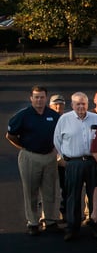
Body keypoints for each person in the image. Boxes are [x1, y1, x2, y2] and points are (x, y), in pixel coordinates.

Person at [7, 86, 61, 236]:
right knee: (31, 191)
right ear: (31, 98)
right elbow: (10, 135)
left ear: (46, 98)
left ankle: (50, 220)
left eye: (42, 97)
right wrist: (24, 146)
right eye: (36, 97)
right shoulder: (23, 115)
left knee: (50, 190)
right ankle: (33, 222)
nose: (39, 100)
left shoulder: (53, 115)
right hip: (30, 156)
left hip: (49, 156)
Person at [53, 92, 97, 241]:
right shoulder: (64, 119)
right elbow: (57, 141)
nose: (81, 106)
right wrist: (65, 158)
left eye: (83, 104)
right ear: (72, 105)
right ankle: (72, 228)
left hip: (92, 161)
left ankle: (95, 226)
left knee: (94, 195)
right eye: (78, 104)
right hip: (73, 163)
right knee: (72, 196)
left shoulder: (95, 118)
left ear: (88, 104)